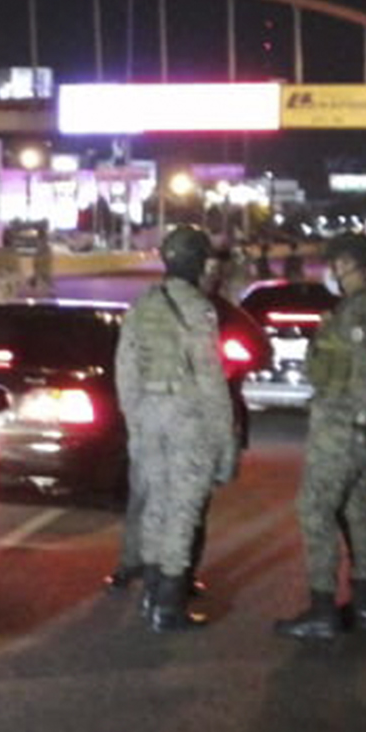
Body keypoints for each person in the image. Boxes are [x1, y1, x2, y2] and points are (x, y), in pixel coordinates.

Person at [112, 225, 239, 631]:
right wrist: (225, 441)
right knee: (183, 508)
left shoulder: (142, 305)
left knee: (154, 502)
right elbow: (209, 378)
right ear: (200, 263)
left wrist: (136, 420)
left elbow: (125, 369)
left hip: (148, 411)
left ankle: (151, 593)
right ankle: (169, 605)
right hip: (187, 413)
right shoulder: (199, 309)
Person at [274, 232, 366, 640]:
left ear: (345, 264)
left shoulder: (364, 308)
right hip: (349, 424)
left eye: (333, 263)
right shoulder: (357, 306)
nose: (330, 271)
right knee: (355, 510)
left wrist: (359, 422)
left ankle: (322, 608)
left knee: (315, 509)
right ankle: (364, 605)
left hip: (342, 426)